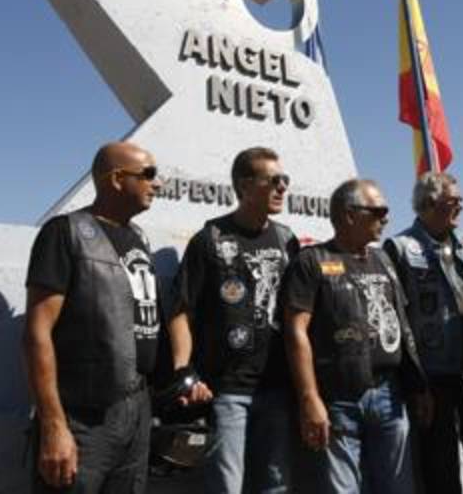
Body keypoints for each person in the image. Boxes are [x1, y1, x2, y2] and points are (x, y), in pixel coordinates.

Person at [23, 142, 162, 492]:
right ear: (116, 179)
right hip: (84, 417)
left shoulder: (139, 238)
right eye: (148, 174)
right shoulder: (65, 233)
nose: (156, 183)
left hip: (137, 409)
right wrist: (55, 426)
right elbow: (37, 334)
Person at [166, 147, 300, 494]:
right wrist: (184, 371)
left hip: (279, 388)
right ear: (244, 185)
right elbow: (180, 310)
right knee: (227, 487)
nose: (282, 187)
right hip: (227, 391)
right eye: (273, 180)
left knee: (277, 485)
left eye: (284, 180)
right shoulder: (209, 239)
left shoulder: (287, 240)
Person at [283, 178, 428, 494]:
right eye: (378, 211)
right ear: (350, 214)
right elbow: (296, 332)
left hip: (389, 395)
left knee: (398, 487)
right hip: (338, 399)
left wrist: (417, 385)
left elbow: (401, 325)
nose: (386, 218)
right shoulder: (311, 262)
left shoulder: (385, 260)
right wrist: (310, 399)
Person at [383, 172, 463, 494]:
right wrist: (414, 383)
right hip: (432, 373)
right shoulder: (399, 248)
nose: (461, 207)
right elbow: (396, 319)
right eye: (454, 201)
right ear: (429, 203)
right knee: (439, 470)